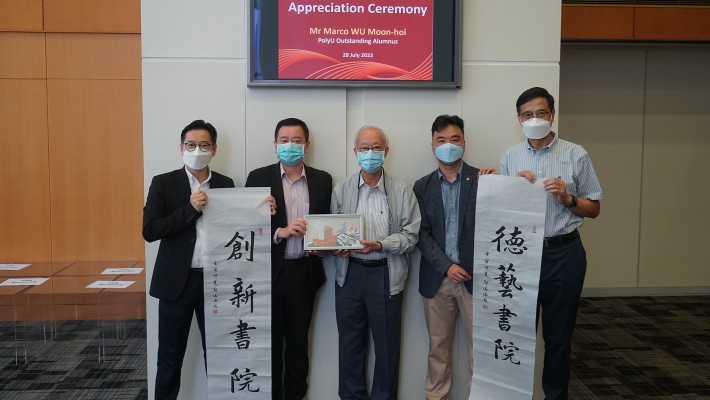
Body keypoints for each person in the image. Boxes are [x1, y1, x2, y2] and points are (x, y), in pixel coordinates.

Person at [500, 87, 602, 400]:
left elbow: (594, 208)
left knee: (558, 337)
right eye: (527, 114)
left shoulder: (575, 154)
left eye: (541, 113)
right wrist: (512, 188)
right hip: (522, 254)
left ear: (552, 115)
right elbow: (502, 213)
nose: (534, 119)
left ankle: (555, 396)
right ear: (519, 119)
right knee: (518, 334)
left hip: (564, 253)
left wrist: (567, 197)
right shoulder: (510, 156)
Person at [143, 119, 235, 400]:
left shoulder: (225, 184)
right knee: (169, 357)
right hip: (175, 284)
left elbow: (236, 227)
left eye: (204, 145)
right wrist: (190, 209)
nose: (197, 150)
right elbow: (150, 230)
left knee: (219, 356)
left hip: (215, 283)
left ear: (215, 149)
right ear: (181, 147)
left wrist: (260, 208)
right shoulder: (163, 182)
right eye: (191, 145)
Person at [330, 125, 421, 400]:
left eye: (377, 147)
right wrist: (337, 249)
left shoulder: (402, 191)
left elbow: (411, 235)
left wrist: (381, 244)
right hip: (349, 276)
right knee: (349, 346)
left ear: (386, 151)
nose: (371, 153)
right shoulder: (342, 189)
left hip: (385, 274)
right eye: (365, 148)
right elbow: (332, 233)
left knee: (386, 348)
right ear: (355, 152)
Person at [245, 118, 332, 400]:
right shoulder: (258, 178)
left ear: (307, 145)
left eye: (296, 141)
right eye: (284, 140)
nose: (290, 146)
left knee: (297, 346)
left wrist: (323, 246)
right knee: (269, 346)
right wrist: (279, 232)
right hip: (269, 275)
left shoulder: (322, 179)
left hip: (304, 274)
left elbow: (328, 224)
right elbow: (245, 227)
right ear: (275, 145)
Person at [414, 115, 495, 400]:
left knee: (481, 349)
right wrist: (448, 266)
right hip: (437, 280)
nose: (448, 145)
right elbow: (421, 235)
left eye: (454, 139)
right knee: (438, 349)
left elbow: (495, 227)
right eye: (441, 140)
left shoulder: (485, 180)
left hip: (478, 279)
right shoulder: (421, 187)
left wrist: (501, 186)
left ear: (464, 143)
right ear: (432, 145)